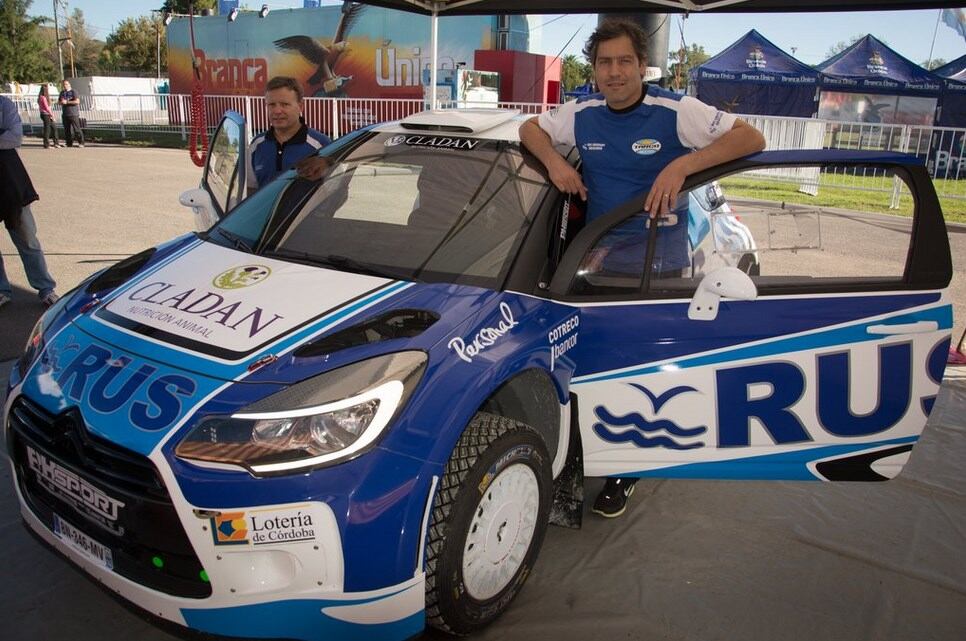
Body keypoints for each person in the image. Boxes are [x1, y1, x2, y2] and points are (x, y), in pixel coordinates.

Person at [520, 18, 766, 519]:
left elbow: (751, 138)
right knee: (594, 366)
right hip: (598, 261)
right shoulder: (582, 111)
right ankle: (591, 451)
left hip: (659, 267)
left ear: (641, 65)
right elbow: (529, 129)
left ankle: (626, 470)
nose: (614, 72)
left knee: (646, 373)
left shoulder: (676, 110)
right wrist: (556, 164)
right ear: (593, 69)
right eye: (604, 63)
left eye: (624, 61)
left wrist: (679, 166)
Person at [0, 96, 59, 310]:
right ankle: (2, 290)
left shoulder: (3, 105)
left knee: (27, 239)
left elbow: (14, 137)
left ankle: (45, 288)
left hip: (10, 182)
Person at [246, 76, 331, 194]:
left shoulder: (322, 146)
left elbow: (337, 191)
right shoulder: (256, 145)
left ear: (300, 106)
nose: (277, 111)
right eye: (272, 105)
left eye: (284, 104)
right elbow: (250, 190)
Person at [58, 79, 84, 147]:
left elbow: (77, 101)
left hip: (73, 113)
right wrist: (61, 102)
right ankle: (69, 143)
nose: (65, 86)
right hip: (65, 114)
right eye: (64, 85)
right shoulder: (62, 93)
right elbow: (59, 102)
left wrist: (67, 102)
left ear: (69, 84)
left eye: (66, 84)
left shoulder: (73, 92)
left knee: (77, 129)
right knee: (67, 130)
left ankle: (81, 142)